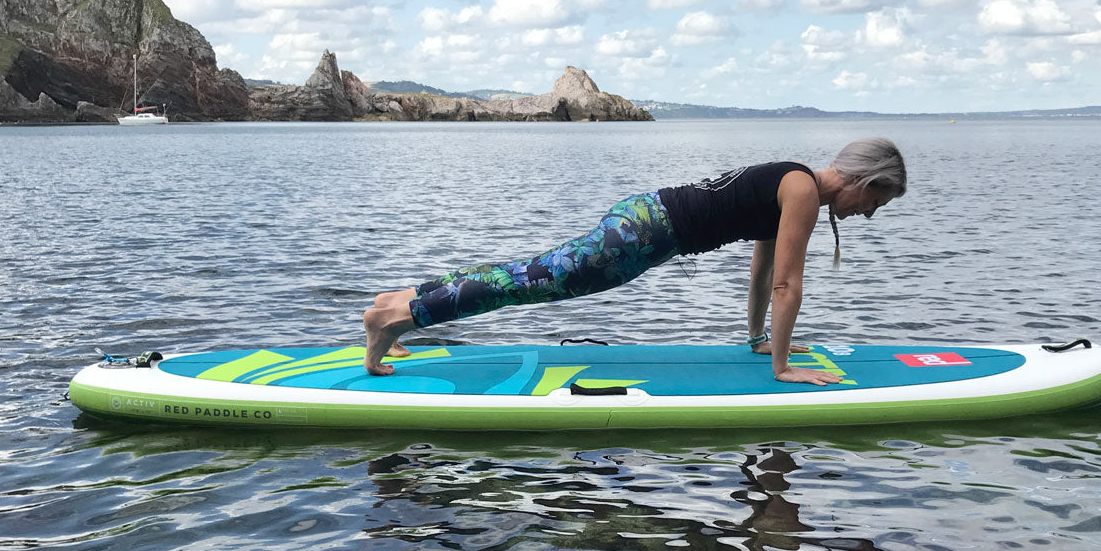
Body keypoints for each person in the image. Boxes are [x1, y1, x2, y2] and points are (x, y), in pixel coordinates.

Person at [364, 136, 907, 385]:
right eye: (877, 201)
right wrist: (783, 368)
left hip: (645, 220)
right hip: (645, 235)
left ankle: (401, 303)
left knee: (528, 274)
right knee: (529, 283)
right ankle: (395, 317)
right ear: (866, 181)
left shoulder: (795, 180)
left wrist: (757, 340)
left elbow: (764, 271)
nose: (871, 213)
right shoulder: (803, 191)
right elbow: (789, 285)